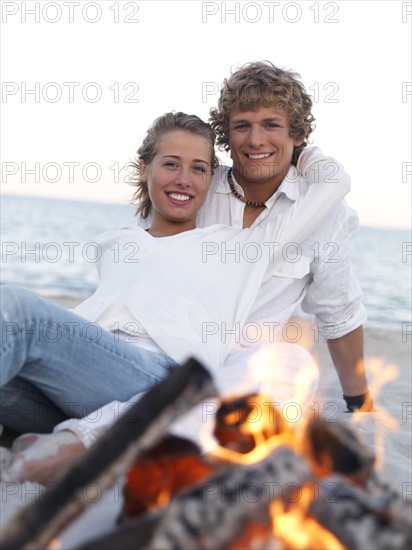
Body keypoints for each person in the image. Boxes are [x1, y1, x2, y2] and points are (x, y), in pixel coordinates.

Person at [0, 110, 348, 483]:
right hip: (77, 387)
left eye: (199, 169)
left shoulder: (238, 249)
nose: (184, 180)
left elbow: (334, 183)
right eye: (171, 164)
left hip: (159, 377)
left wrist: (299, 151)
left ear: (210, 178)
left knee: (15, 308)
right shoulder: (117, 243)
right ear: (144, 169)